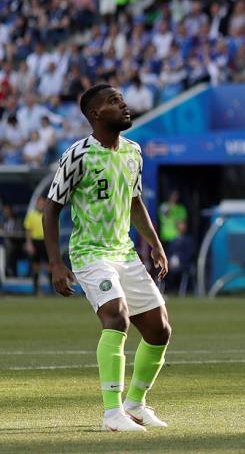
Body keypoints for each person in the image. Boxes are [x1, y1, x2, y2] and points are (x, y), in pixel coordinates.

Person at [43, 84, 172, 432]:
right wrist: (56, 262)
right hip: (89, 253)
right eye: (115, 102)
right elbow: (51, 209)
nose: (124, 105)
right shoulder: (78, 155)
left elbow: (134, 202)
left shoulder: (133, 152)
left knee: (159, 330)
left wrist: (155, 244)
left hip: (124, 253)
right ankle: (111, 413)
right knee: (116, 318)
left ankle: (135, 404)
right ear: (96, 114)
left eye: (123, 100)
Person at [24, 196, 47, 295]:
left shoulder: (48, 215)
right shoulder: (31, 215)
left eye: (43, 203)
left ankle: (53, 289)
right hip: (35, 241)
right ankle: (35, 289)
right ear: (37, 204)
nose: (41, 205)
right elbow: (28, 231)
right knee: (36, 266)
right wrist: (29, 244)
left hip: (46, 241)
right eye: (40, 203)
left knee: (50, 265)